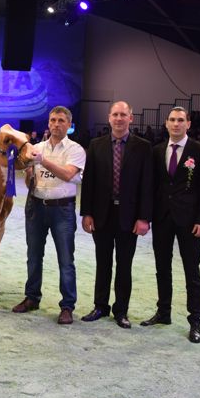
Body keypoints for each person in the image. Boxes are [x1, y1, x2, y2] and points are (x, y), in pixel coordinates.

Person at [142, 106, 200, 343]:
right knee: (162, 268)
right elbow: (151, 187)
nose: (176, 124)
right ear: (166, 123)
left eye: (181, 120)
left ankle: (195, 321)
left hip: (190, 221)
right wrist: (147, 216)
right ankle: (163, 312)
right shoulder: (157, 150)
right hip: (162, 218)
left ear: (188, 124)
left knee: (192, 272)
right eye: (172, 119)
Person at [79, 101, 153, 329]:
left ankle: (121, 310)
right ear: (109, 118)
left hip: (129, 216)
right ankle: (100, 306)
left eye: (123, 115)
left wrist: (144, 217)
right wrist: (86, 213)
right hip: (101, 214)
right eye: (115, 114)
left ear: (131, 118)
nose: (119, 118)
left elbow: (147, 185)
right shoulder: (96, 145)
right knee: (102, 263)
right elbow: (88, 182)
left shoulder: (143, 147)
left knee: (124, 265)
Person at [13, 106, 86, 324]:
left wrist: (42, 161)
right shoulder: (36, 148)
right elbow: (30, 182)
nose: (56, 124)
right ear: (48, 123)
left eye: (61, 120)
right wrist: (28, 173)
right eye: (53, 120)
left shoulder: (75, 150)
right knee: (34, 256)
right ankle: (32, 297)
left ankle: (67, 306)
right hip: (36, 206)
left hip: (62, 209)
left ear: (69, 124)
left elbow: (68, 174)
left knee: (66, 259)